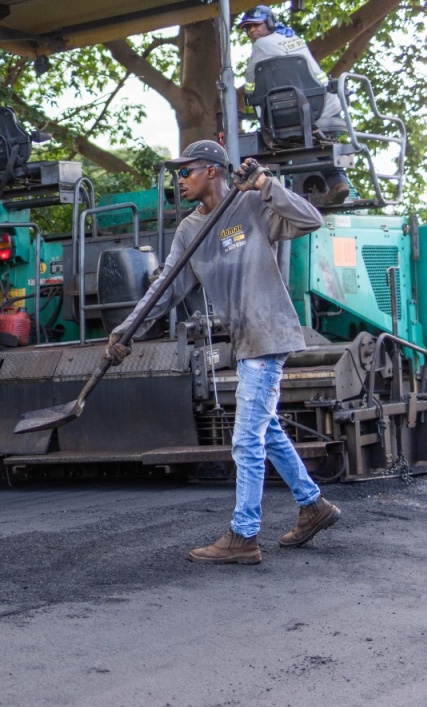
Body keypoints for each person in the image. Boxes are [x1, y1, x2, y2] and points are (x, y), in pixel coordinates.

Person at [106, 139, 341, 564]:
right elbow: (164, 288)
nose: (180, 179)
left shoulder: (250, 206)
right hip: (246, 340)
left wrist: (266, 183)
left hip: (269, 335)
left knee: (246, 438)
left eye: (187, 171)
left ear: (212, 171)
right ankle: (312, 506)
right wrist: (126, 330)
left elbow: (310, 219)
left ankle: (244, 535)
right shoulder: (190, 231)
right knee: (264, 430)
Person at [237, 4, 351, 206]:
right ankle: (338, 182)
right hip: (321, 108)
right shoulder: (294, 40)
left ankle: (269, 191)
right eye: (248, 28)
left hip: (287, 116)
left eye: (256, 25)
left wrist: (259, 109)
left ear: (270, 23)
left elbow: (251, 85)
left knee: (270, 150)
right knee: (318, 143)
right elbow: (319, 79)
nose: (252, 31)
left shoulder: (260, 47)